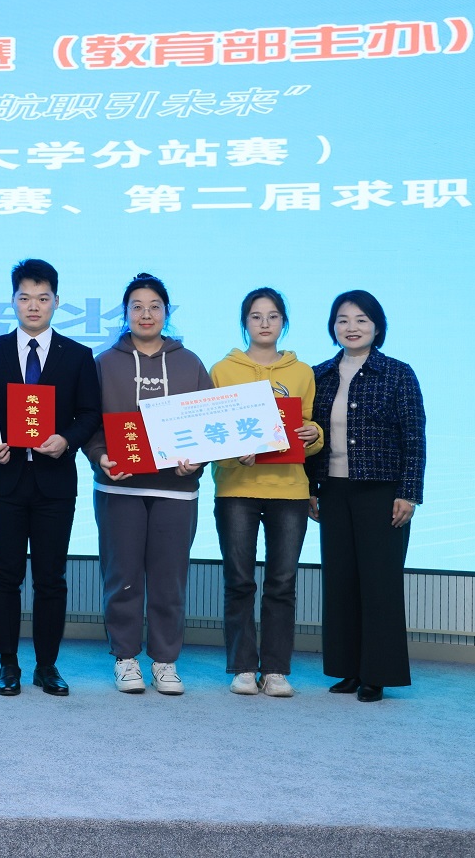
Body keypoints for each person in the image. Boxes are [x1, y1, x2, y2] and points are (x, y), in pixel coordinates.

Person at [0, 258, 101, 697]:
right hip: (4, 480)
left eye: (42, 298)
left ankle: (47, 665)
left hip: (55, 483)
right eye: (25, 297)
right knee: (5, 574)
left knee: (51, 577)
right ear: (13, 301)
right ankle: (7, 663)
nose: (33, 306)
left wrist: (67, 439)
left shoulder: (78, 356)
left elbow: (90, 414)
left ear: (56, 302)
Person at [83, 274, 211, 695]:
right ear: (125, 313)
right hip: (118, 488)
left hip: (176, 489)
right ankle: (125, 658)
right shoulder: (104, 363)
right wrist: (100, 456)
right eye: (136, 306)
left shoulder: (190, 363)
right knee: (121, 576)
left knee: (169, 579)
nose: (146, 314)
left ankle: (165, 661)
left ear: (167, 312)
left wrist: (198, 460)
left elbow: (208, 424)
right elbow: (89, 422)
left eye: (155, 306)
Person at [307, 290, 424, 703]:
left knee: (379, 583)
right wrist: (310, 488)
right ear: (333, 327)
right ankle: (349, 669)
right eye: (342, 320)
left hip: (382, 491)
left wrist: (409, 493)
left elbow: (414, 438)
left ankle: (377, 674)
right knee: (340, 581)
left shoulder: (398, 374)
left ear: (377, 327)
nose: (351, 327)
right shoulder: (319, 375)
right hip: (334, 490)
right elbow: (310, 439)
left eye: (361, 320)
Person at [210, 287, 324, 697]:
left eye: (273, 316)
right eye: (256, 316)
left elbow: (309, 429)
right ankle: (243, 667)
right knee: (239, 580)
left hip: (289, 489)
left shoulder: (302, 372)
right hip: (236, 490)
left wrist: (314, 434)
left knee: (282, 583)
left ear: (283, 323)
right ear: (244, 323)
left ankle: (276, 669)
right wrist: (232, 454)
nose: (264, 323)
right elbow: (210, 433)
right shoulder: (222, 370)